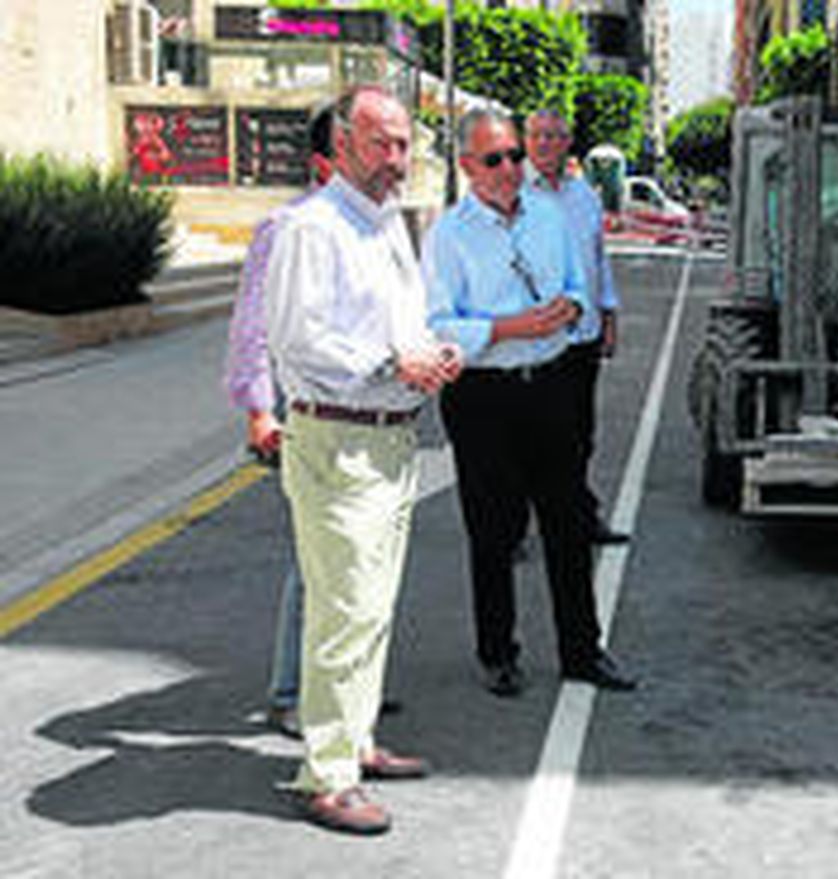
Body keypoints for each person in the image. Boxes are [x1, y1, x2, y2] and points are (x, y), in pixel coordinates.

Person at [265, 85, 463, 835]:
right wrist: (393, 361)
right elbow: (299, 340)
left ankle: (355, 740)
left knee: (372, 609)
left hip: (387, 436)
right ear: (340, 145)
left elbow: (400, 327)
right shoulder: (312, 227)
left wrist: (429, 354)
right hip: (339, 438)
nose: (397, 160)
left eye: (405, 144)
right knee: (343, 611)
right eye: (381, 143)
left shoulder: (384, 226)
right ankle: (326, 775)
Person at [424, 109, 637, 699]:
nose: (510, 169)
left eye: (515, 156)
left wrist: (569, 310)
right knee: (492, 531)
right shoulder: (448, 234)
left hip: (551, 383)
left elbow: (577, 282)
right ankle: (498, 652)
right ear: (467, 166)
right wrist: (508, 327)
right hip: (483, 395)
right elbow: (438, 324)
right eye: (494, 159)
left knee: (567, 525)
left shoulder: (548, 217)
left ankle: (582, 651)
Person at [223, 105, 335, 740]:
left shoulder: (371, 227)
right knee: (313, 556)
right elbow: (252, 327)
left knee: (356, 560)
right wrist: (260, 409)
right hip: (305, 412)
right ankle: (293, 691)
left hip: (365, 417)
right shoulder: (286, 227)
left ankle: (342, 683)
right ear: (325, 160)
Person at [522, 109, 628, 546]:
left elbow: (598, 259)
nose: (545, 143)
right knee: (528, 437)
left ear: (568, 143)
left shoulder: (584, 197)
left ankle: (579, 519)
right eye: (537, 136)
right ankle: (514, 531)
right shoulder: (508, 193)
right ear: (525, 142)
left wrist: (609, 315)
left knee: (579, 437)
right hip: (530, 340)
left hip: (581, 338)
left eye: (554, 136)